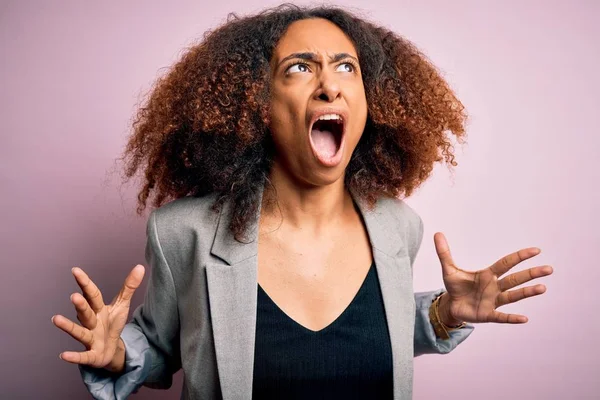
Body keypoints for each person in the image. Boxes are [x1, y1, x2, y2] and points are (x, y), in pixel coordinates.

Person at [51, 4, 553, 399]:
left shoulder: (399, 227)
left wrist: (447, 312)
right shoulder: (183, 233)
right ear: (260, 105)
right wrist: (118, 354)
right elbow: (163, 347)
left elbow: (375, 332)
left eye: (345, 67)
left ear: (366, 101)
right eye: (299, 68)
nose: (329, 84)